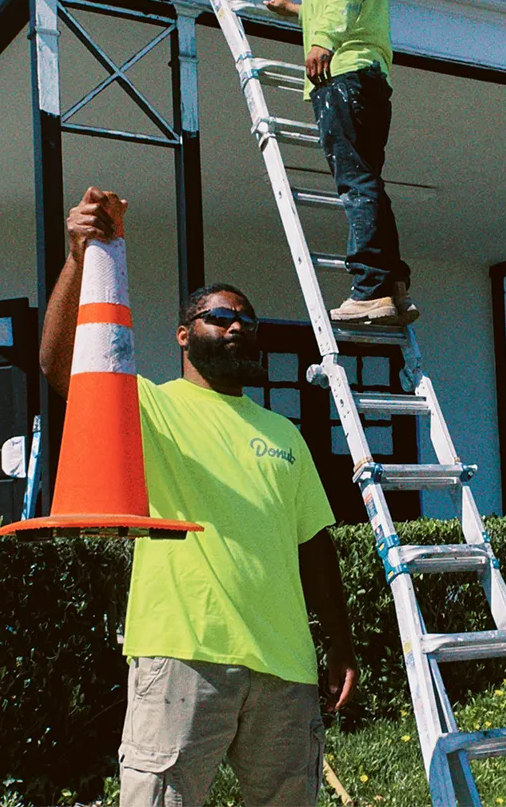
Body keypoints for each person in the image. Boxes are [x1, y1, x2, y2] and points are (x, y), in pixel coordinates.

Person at [40, 186, 359, 807]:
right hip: (184, 656)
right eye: (221, 316)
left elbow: (315, 550)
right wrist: (80, 258)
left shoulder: (285, 433)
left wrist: (340, 646)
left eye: (247, 319)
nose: (238, 324)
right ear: (184, 336)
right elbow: (59, 366)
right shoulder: (150, 407)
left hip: (285, 667)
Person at [266, 0, 419, 327]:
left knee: (355, 184)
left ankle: (371, 289)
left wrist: (323, 39)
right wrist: (300, 12)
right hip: (366, 72)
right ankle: (393, 288)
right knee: (369, 181)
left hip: (344, 72)